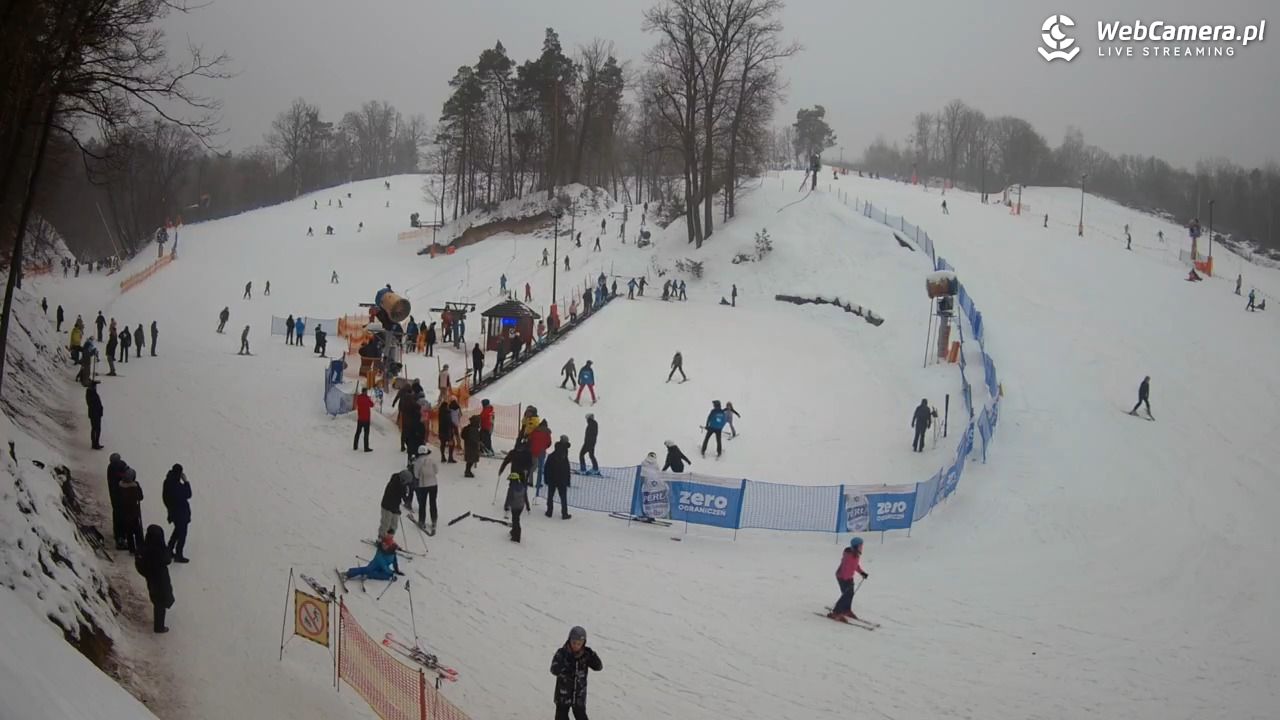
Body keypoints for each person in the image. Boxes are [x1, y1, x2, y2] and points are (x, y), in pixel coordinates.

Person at [550, 626, 602, 720]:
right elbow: (554, 670)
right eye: (574, 643)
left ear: (583, 643)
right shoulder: (562, 653)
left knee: (581, 716)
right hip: (563, 696)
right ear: (569, 640)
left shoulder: (585, 655)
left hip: (579, 696)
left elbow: (598, 667)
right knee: (561, 717)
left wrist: (592, 656)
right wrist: (563, 666)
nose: (576, 646)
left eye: (579, 644)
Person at [135, 525, 175, 633]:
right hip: (161, 578)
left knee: (157, 600)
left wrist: (147, 574)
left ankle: (159, 624)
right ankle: (159, 627)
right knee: (161, 600)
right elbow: (167, 559)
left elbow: (139, 565)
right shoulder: (159, 550)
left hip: (151, 578)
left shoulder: (144, 549)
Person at [827, 536, 869, 622]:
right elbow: (844, 569)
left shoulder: (856, 555)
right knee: (846, 595)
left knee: (850, 594)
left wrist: (862, 573)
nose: (861, 548)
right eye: (860, 546)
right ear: (855, 547)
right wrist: (847, 580)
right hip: (842, 577)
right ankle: (836, 612)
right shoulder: (849, 556)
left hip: (849, 578)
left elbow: (855, 566)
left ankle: (846, 610)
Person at [162, 464, 192, 562]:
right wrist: (186, 482)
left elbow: (165, 498)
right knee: (182, 534)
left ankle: (169, 549)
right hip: (181, 512)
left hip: (173, 512)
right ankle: (178, 554)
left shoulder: (167, 482)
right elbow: (188, 494)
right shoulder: (176, 484)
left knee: (177, 531)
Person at [544, 435, 572, 519]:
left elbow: (546, 468)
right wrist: (568, 480)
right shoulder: (564, 456)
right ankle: (564, 513)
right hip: (562, 480)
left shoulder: (552, 455)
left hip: (552, 479)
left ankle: (549, 512)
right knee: (563, 497)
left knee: (550, 496)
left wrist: (546, 478)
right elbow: (567, 469)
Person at [117, 467, 144, 554]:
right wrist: (138, 486)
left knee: (129, 531)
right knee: (137, 531)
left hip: (124, 512)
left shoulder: (120, 486)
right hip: (134, 512)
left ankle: (131, 548)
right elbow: (140, 497)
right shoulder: (134, 488)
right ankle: (140, 548)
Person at [379, 468, 410, 538]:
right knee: (386, 523)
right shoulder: (394, 483)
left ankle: (389, 538)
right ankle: (381, 538)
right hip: (387, 506)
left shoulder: (402, 485)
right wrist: (404, 492)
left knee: (394, 524)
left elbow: (404, 497)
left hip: (395, 507)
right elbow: (396, 495)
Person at [529, 419, 553, 490]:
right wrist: (544, 447)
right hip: (542, 452)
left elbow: (530, 439)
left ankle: (530, 481)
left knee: (533, 466)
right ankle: (538, 483)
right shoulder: (547, 433)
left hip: (533, 451)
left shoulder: (535, 431)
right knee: (540, 468)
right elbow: (549, 443)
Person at [505, 472, 528, 542]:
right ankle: (514, 531)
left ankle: (516, 536)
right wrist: (528, 506)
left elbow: (508, 498)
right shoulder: (522, 486)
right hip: (521, 506)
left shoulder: (511, 488)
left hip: (515, 506)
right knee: (516, 518)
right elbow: (525, 496)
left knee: (515, 520)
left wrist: (506, 506)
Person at [85, 381, 104, 449]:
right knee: (96, 429)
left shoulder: (92, 392)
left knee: (96, 429)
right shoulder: (90, 393)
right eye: (94, 386)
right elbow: (92, 404)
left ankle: (96, 443)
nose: (95, 387)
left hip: (96, 413)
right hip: (94, 414)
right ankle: (95, 444)